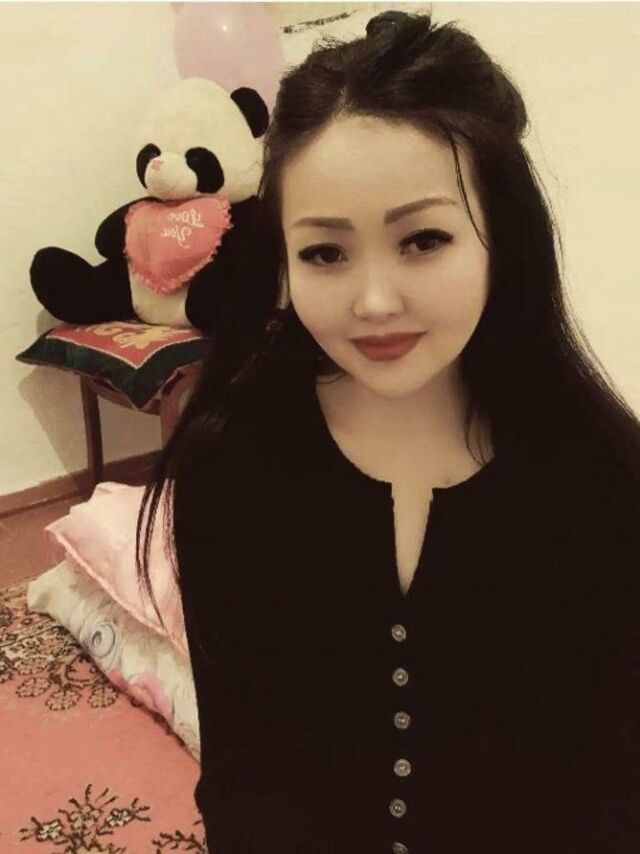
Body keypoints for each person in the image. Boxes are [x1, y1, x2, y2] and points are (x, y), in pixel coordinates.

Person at [136, 10, 640, 853]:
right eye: (325, 253)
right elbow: (242, 775)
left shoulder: (603, 482)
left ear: (504, 236)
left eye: (424, 240)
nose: (374, 301)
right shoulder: (230, 461)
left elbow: (611, 790)